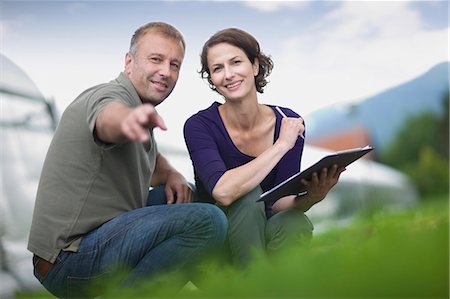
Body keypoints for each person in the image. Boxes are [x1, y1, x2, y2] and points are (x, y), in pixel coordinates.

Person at [28, 22, 227, 298]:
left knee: (182, 196)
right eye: (156, 59)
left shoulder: (138, 105)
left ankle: (230, 286)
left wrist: (171, 174)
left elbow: (151, 158)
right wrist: (127, 120)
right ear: (129, 61)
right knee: (207, 221)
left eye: (174, 64)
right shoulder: (112, 97)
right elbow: (108, 119)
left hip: (95, 240)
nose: (165, 72)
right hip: (68, 259)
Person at [183, 28, 345, 268]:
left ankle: (279, 287)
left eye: (236, 62)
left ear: (255, 66)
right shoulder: (199, 125)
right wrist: (281, 145)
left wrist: (312, 197)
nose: (228, 75)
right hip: (217, 245)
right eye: (217, 68)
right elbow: (223, 191)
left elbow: (280, 202)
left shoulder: (288, 122)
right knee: (247, 194)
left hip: (269, 235)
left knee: (294, 222)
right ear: (212, 81)